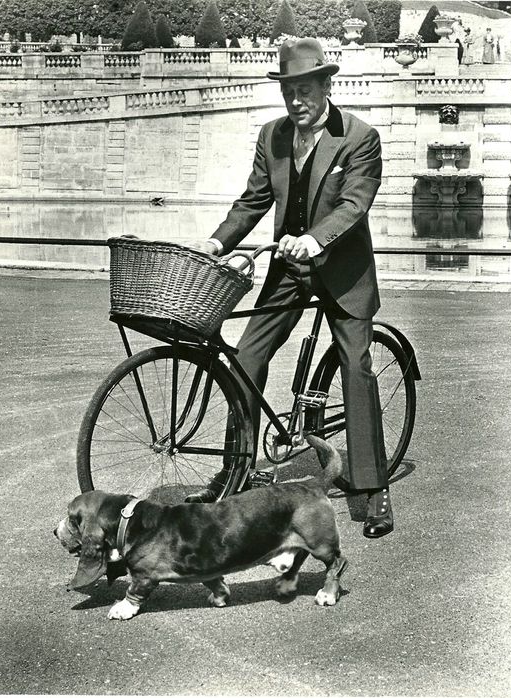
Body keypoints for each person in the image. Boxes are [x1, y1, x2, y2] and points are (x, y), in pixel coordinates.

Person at [186, 37, 393, 539]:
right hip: (289, 267)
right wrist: (218, 240)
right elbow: (254, 199)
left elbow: (354, 204)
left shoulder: (359, 138)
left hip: (342, 270)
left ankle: (372, 488)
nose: (296, 101)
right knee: (248, 355)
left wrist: (314, 239)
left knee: (355, 365)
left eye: (305, 89)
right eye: (288, 91)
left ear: (327, 85)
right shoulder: (273, 136)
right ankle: (238, 467)